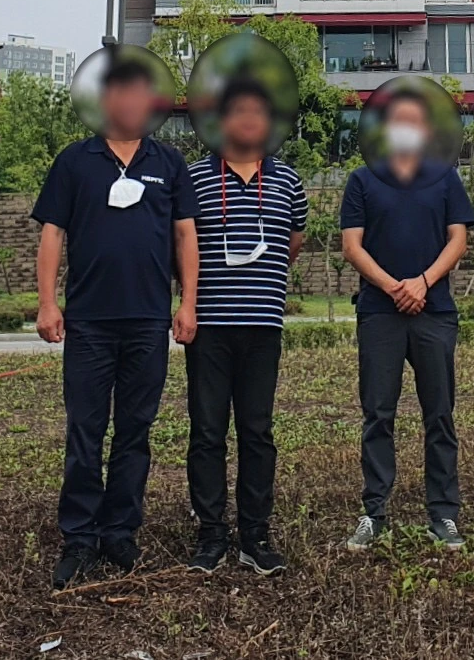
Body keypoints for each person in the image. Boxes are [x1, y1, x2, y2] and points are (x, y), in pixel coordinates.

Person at [33, 57, 200, 591]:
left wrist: (188, 303)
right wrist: (47, 303)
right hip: (88, 323)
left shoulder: (168, 162)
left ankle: (120, 532)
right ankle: (79, 537)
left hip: (148, 322)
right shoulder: (74, 161)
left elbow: (185, 237)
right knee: (85, 431)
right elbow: (52, 234)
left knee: (135, 431)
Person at [340, 89, 474, 551]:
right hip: (379, 313)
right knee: (378, 413)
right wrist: (394, 287)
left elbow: (458, 240)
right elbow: (352, 246)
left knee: (439, 414)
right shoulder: (363, 179)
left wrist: (422, 283)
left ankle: (444, 513)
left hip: (434, 312)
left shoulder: (444, 178)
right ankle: (374, 512)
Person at [183, 79, 308, 577]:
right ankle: (211, 533)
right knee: (207, 431)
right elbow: (181, 246)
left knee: (257, 431)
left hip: (262, 325)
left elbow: (293, 241)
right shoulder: (193, 178)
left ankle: (255, 534)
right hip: (208, 326)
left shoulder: (287, 180)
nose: (249, 120)